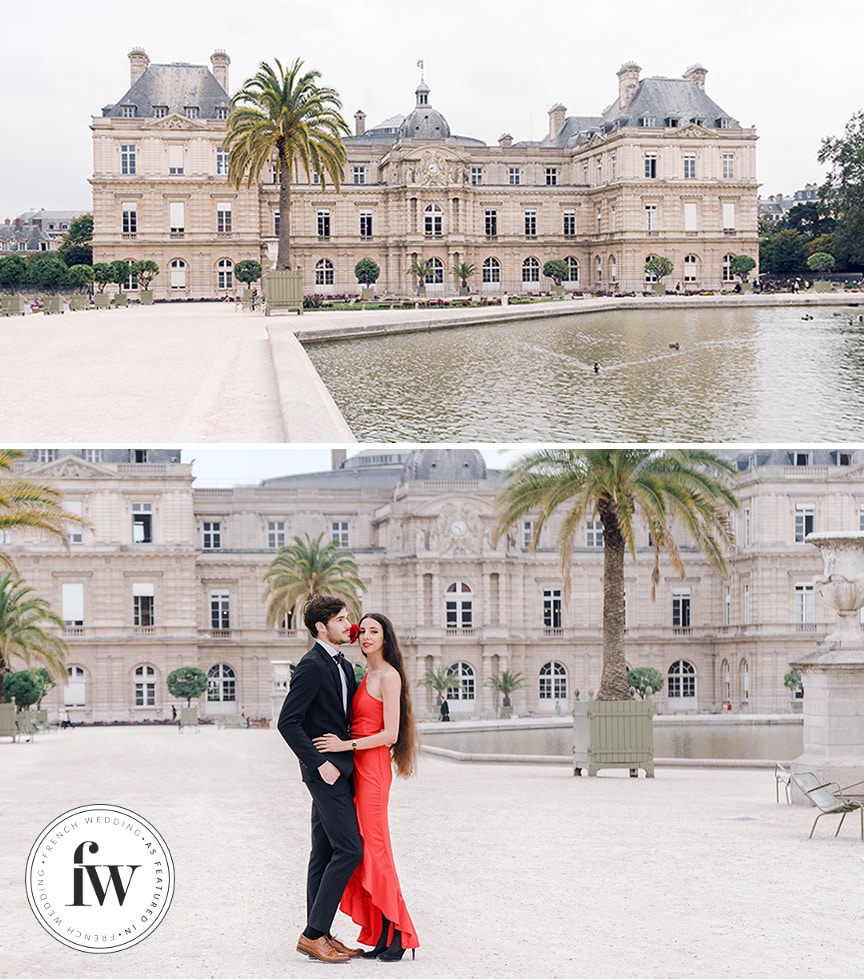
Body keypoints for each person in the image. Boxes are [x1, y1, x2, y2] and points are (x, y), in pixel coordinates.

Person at [313, 612, 420, 961]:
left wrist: (345, 746)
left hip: (372, 769)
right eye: (363, 631)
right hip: (356, 769)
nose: (366, 637)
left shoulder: (388, 676)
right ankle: (382, 932)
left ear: (386, 637)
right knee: (364, 849)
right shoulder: (366, 674)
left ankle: (399, 933)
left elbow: (390, 735)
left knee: (376, 849)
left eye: (375, 631)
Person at [278, 595, 364, 964]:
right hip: (325, 773)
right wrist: (318, 764)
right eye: (341, 619)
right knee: (350, 849)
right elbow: (288, 722)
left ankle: (322, 932)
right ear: (320, 627)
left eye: (348, 618)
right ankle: (312, 935)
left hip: (341, 767)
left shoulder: (343, 665)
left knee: (324, 852)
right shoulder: (312, 665)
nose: (349, 624)